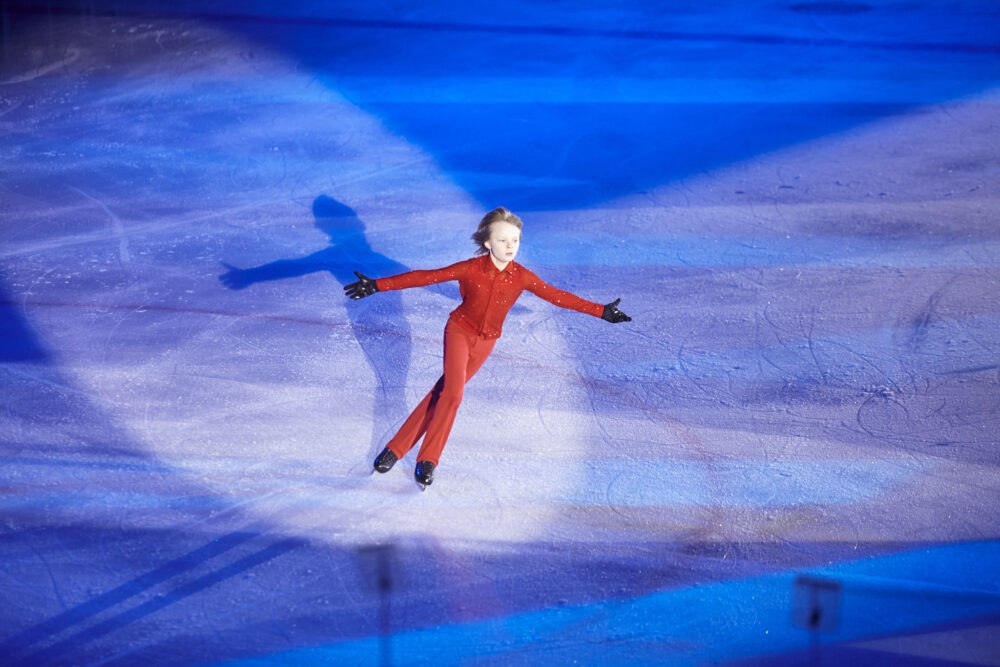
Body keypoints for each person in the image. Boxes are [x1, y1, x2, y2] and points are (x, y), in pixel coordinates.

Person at [344, 206, 631, 489]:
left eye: (515, 240)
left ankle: (395, 449)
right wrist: (378, 285)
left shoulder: (522, 276)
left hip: (487, 342)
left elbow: (557, 296)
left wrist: (600, 311)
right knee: (453, 395)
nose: (510, 246)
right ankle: (428, 460)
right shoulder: (470, 269)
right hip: (459, 332)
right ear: (487, 242)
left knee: (442, 393)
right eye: (503, 240)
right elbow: (425, 276)